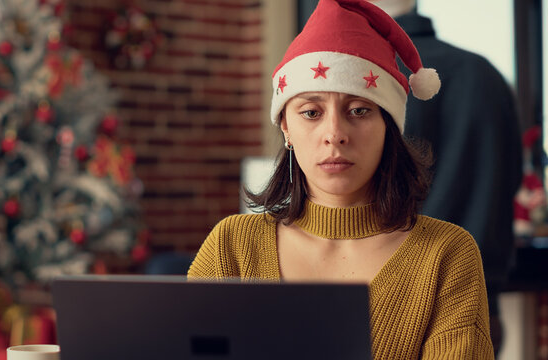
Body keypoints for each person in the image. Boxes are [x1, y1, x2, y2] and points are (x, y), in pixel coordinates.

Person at [188, 0, 494, 358]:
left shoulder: (446, 255)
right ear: (287, 127)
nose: (334, 134)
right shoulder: (232, 248)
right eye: (311, 112)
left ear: (388, 127)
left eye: (359, 110)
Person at [366, 0, 523, 354]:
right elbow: (513, 176)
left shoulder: (377, 79)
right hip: (483, 306)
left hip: (396, 315)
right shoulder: (486, 73)